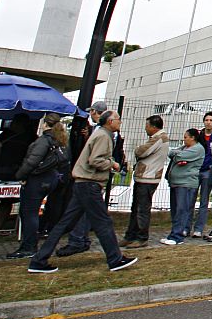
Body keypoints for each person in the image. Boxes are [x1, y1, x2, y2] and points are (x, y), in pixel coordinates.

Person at [29, 110, 137, 273]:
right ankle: (115, 259)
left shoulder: (100, 134)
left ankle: (39, 260)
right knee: (103, 222)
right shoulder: (103, 136)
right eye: (118, 119)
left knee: (65, 223)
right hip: (89, 184)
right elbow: (95, 160)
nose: (120, 122)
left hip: (82, 183)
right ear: (109, 121)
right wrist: (112, 164)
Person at [58, 101, 125, 258]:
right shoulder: (99, 131)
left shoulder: (102, 132)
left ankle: (78, 241)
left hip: (90, 178)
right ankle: (83, 241)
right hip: (91, 178)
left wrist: (112, 163)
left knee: (93, 217)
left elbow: (95, 158)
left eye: (91, 111)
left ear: (95, 112)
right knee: (93, 216)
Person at [7, 115, 70, 259]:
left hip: (38, 180)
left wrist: (20, 175)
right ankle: (30, 244)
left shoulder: (44, 141)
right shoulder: (60, 140)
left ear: (45, 124)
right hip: (50, 178)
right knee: (32, 212)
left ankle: (29, 246)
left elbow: (32, 161)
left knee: (29, 212)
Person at [122, 115, 169, 248]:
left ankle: (141, 237)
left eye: (147, 126)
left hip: (148, 178)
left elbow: (141, 151)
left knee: (142, 209)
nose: (145, 128)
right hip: (145, 177)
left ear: (154, 127)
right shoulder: (158, 138)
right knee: (136, 208)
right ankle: (130, 235)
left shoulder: (158, 138)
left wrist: (138, 149)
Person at [161, 129, 205, 245]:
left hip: (186, 183)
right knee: (175, 210)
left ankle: (177, 236)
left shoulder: (198, 149)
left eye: (186, 137)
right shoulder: (184, 147)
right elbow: (171, 152)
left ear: (193, 138)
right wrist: (175, 155)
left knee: (182, 210)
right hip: (175, 182)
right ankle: (173, 234)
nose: (184, 139)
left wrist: (176, 156)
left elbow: (178, 157)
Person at [185, 111, 212, 239]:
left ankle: (198, 229)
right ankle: (186, 227)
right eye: (206, 120)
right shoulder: (197, 135)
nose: (208, 122)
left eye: (211, 120)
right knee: (190, 200)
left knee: (204, 201)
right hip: (195, 170)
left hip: (207, 171)